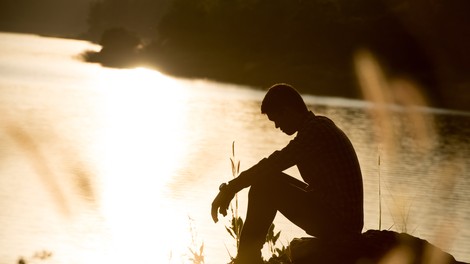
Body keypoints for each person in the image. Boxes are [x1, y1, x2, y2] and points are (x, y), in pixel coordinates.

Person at [211, 83, 364, 264]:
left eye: (277, 119)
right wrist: (233, 186)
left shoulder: (315, 132)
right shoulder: (317, 126)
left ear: (288, 110)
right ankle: (247, 257)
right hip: (339, 217)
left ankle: (246, 258)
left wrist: (231, 188)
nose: (277, 126)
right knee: (268, 179)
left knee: (265, 184)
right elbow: (274, 166)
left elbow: (275, 162)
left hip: (340, 224)